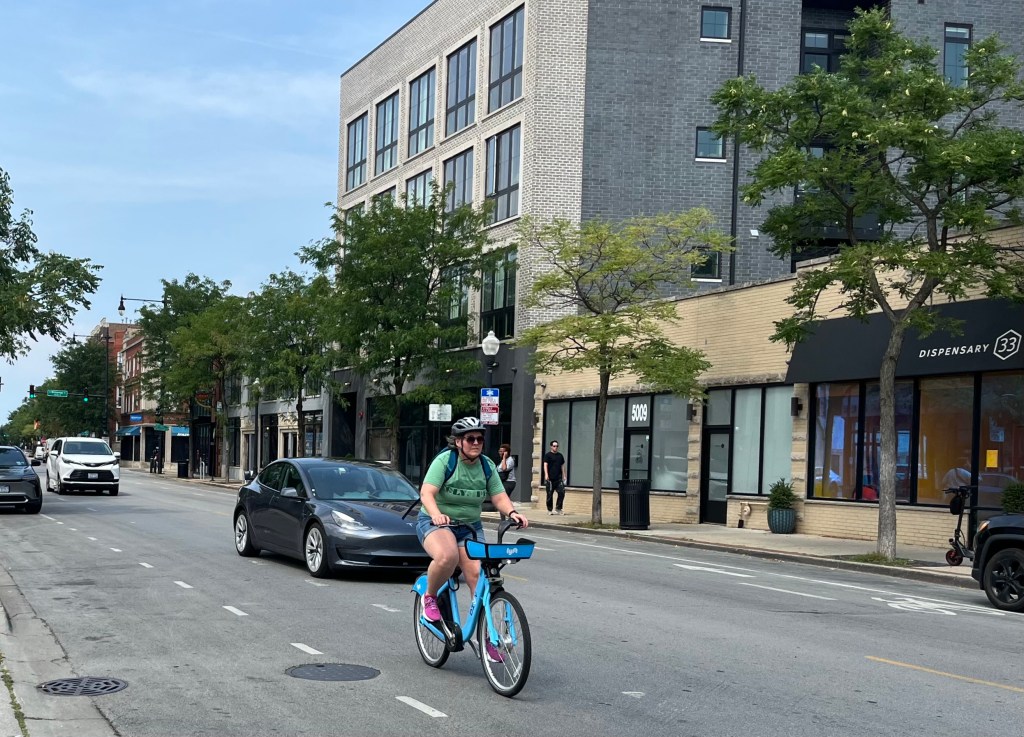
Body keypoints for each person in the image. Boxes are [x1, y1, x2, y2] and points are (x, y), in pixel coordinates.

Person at [417, 417, 528, 660]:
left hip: (469, 527)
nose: (476, 442)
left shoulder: (487, 466)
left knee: (477, 577)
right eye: (470, 438)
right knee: (447, 556)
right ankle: (430, 598)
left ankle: (487, 638)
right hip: (435, 522)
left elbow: (499, 496)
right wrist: (436, 515)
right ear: (458, 442)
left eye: (480, 438)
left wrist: (512, 512)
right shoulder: (446, 461)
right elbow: (426, 492)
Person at [543, 440, 566, 515]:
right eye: (554, 446)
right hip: (550, 478)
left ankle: (558, 508)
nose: (556, 447)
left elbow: (562, 466)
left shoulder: (560, 456)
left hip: (558, 478)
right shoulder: (548, 455)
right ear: (551, 446)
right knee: (549, 494)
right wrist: (546, 474)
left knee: (561, 492)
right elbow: (545, 465)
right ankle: (549, 510)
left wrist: (564, 475)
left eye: (557, 446)